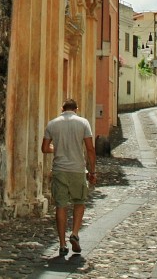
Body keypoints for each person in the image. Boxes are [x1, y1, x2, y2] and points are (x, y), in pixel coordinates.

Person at [41, 98, 96, 256]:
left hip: (59, 169)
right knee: (79, 202)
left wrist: (57, 148)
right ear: (76, 109)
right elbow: (90, 149)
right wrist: (92, 172)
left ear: (62, 108)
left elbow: (45, 148)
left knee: (61, 205)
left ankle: (62, 244)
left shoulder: (52, 124)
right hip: (78, 169)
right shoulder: (83, 123)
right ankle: (75, 233)